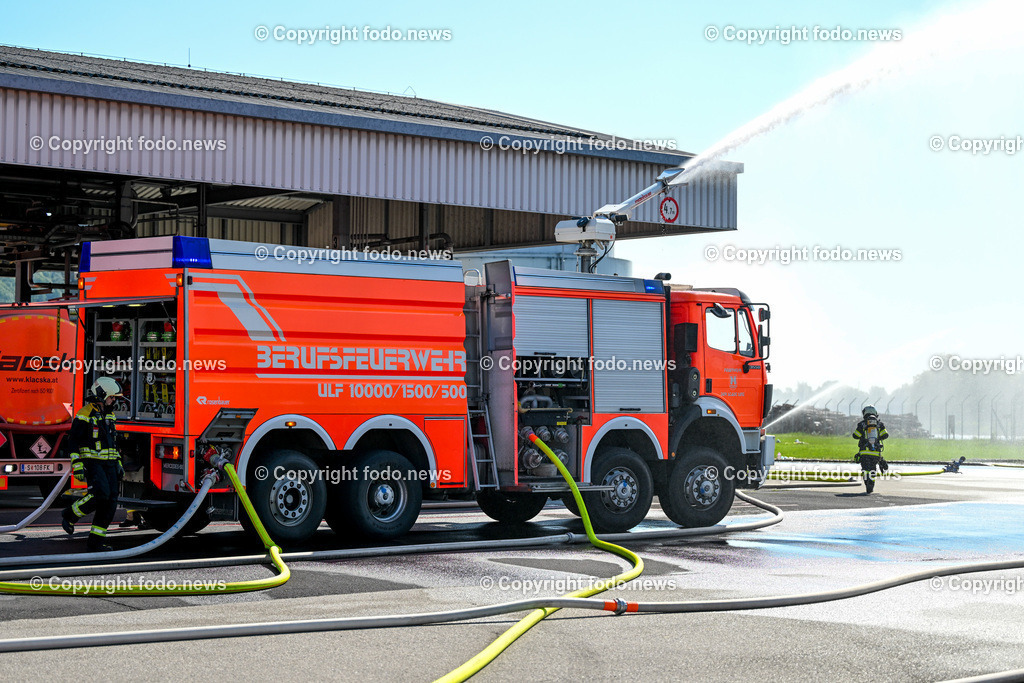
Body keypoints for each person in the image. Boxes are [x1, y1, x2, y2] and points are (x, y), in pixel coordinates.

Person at [61, 377, 124, 551]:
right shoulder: (85, 414)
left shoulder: (109, 415)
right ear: (102, 395)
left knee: (111, 501)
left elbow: (113, 441)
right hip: (93, 463)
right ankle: (70, 514)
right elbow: (73, 441)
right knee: (100, 495)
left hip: (110, 464)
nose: (114, 401)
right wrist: (78, 464)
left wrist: (118, 462)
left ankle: (96, 543)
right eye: (112, 397)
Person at [853, 405, 889, 494]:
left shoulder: (862, 424)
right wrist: (878, 437)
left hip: (864, 452)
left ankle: (867, 482)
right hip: (876, 453)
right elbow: (885, 435)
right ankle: (871, 485)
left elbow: (855, 435)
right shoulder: (879, 424)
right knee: (873, 468)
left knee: (865, 469)